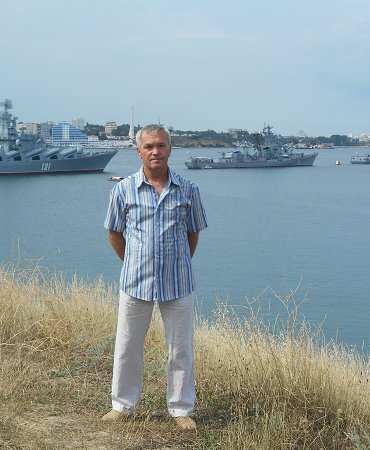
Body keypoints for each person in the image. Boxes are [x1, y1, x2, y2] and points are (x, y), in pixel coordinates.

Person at [102, 124, 207, 430]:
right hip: (135, 283)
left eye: (161, 145)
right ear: (139, 152)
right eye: (148, 146)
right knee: (127, 345)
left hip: (178, 283)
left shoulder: (188, 189)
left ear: (170, 149)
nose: (155, 151)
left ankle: (181, 409)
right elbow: (114, 232)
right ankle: (123, 405)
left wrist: (177, 263)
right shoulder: (123, 190)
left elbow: (193, 233)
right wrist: (133, 262)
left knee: (181, 348)